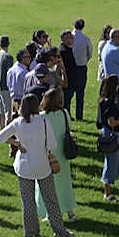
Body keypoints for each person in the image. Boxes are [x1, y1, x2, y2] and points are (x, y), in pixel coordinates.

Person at [0, 93, 75, 237]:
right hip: (42, 166)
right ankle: (60, 231)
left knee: (28, 202)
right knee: (51, 200)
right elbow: (52, 145)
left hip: (24, 167)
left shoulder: (18, 122)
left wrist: (17, 143)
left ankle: (31, 233)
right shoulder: (44, 122)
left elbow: (0, 137)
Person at [36, 88, 78, 225]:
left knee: (48, 186)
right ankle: (70, 212)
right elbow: (68, 128)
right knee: (65, 183)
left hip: (48, 154)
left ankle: (50, 213)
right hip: (63, 153)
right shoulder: (65, 113)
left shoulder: (42, 117)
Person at [98, 74, 119, 201]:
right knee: (111, 163)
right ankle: (107, 193)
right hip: (112, 135)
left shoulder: (103, 100)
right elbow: (111, 122)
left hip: (109, 134)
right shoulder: (110, 104)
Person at [70, 18, 93, 120]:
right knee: (80, 93)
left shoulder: (69, 37)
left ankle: (68, 113)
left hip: (70, 67)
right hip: (81, 66)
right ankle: (79, 115)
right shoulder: (85, 39)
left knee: (69, 92)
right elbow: (90, 53)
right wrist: (85, 60)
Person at [0, 35, 14, 128]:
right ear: (8, 44)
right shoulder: (8, 57)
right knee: (8, 112)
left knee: (0, 110)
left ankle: (1, 129)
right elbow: (10, 73)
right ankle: (7, 134)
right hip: (6, 87)